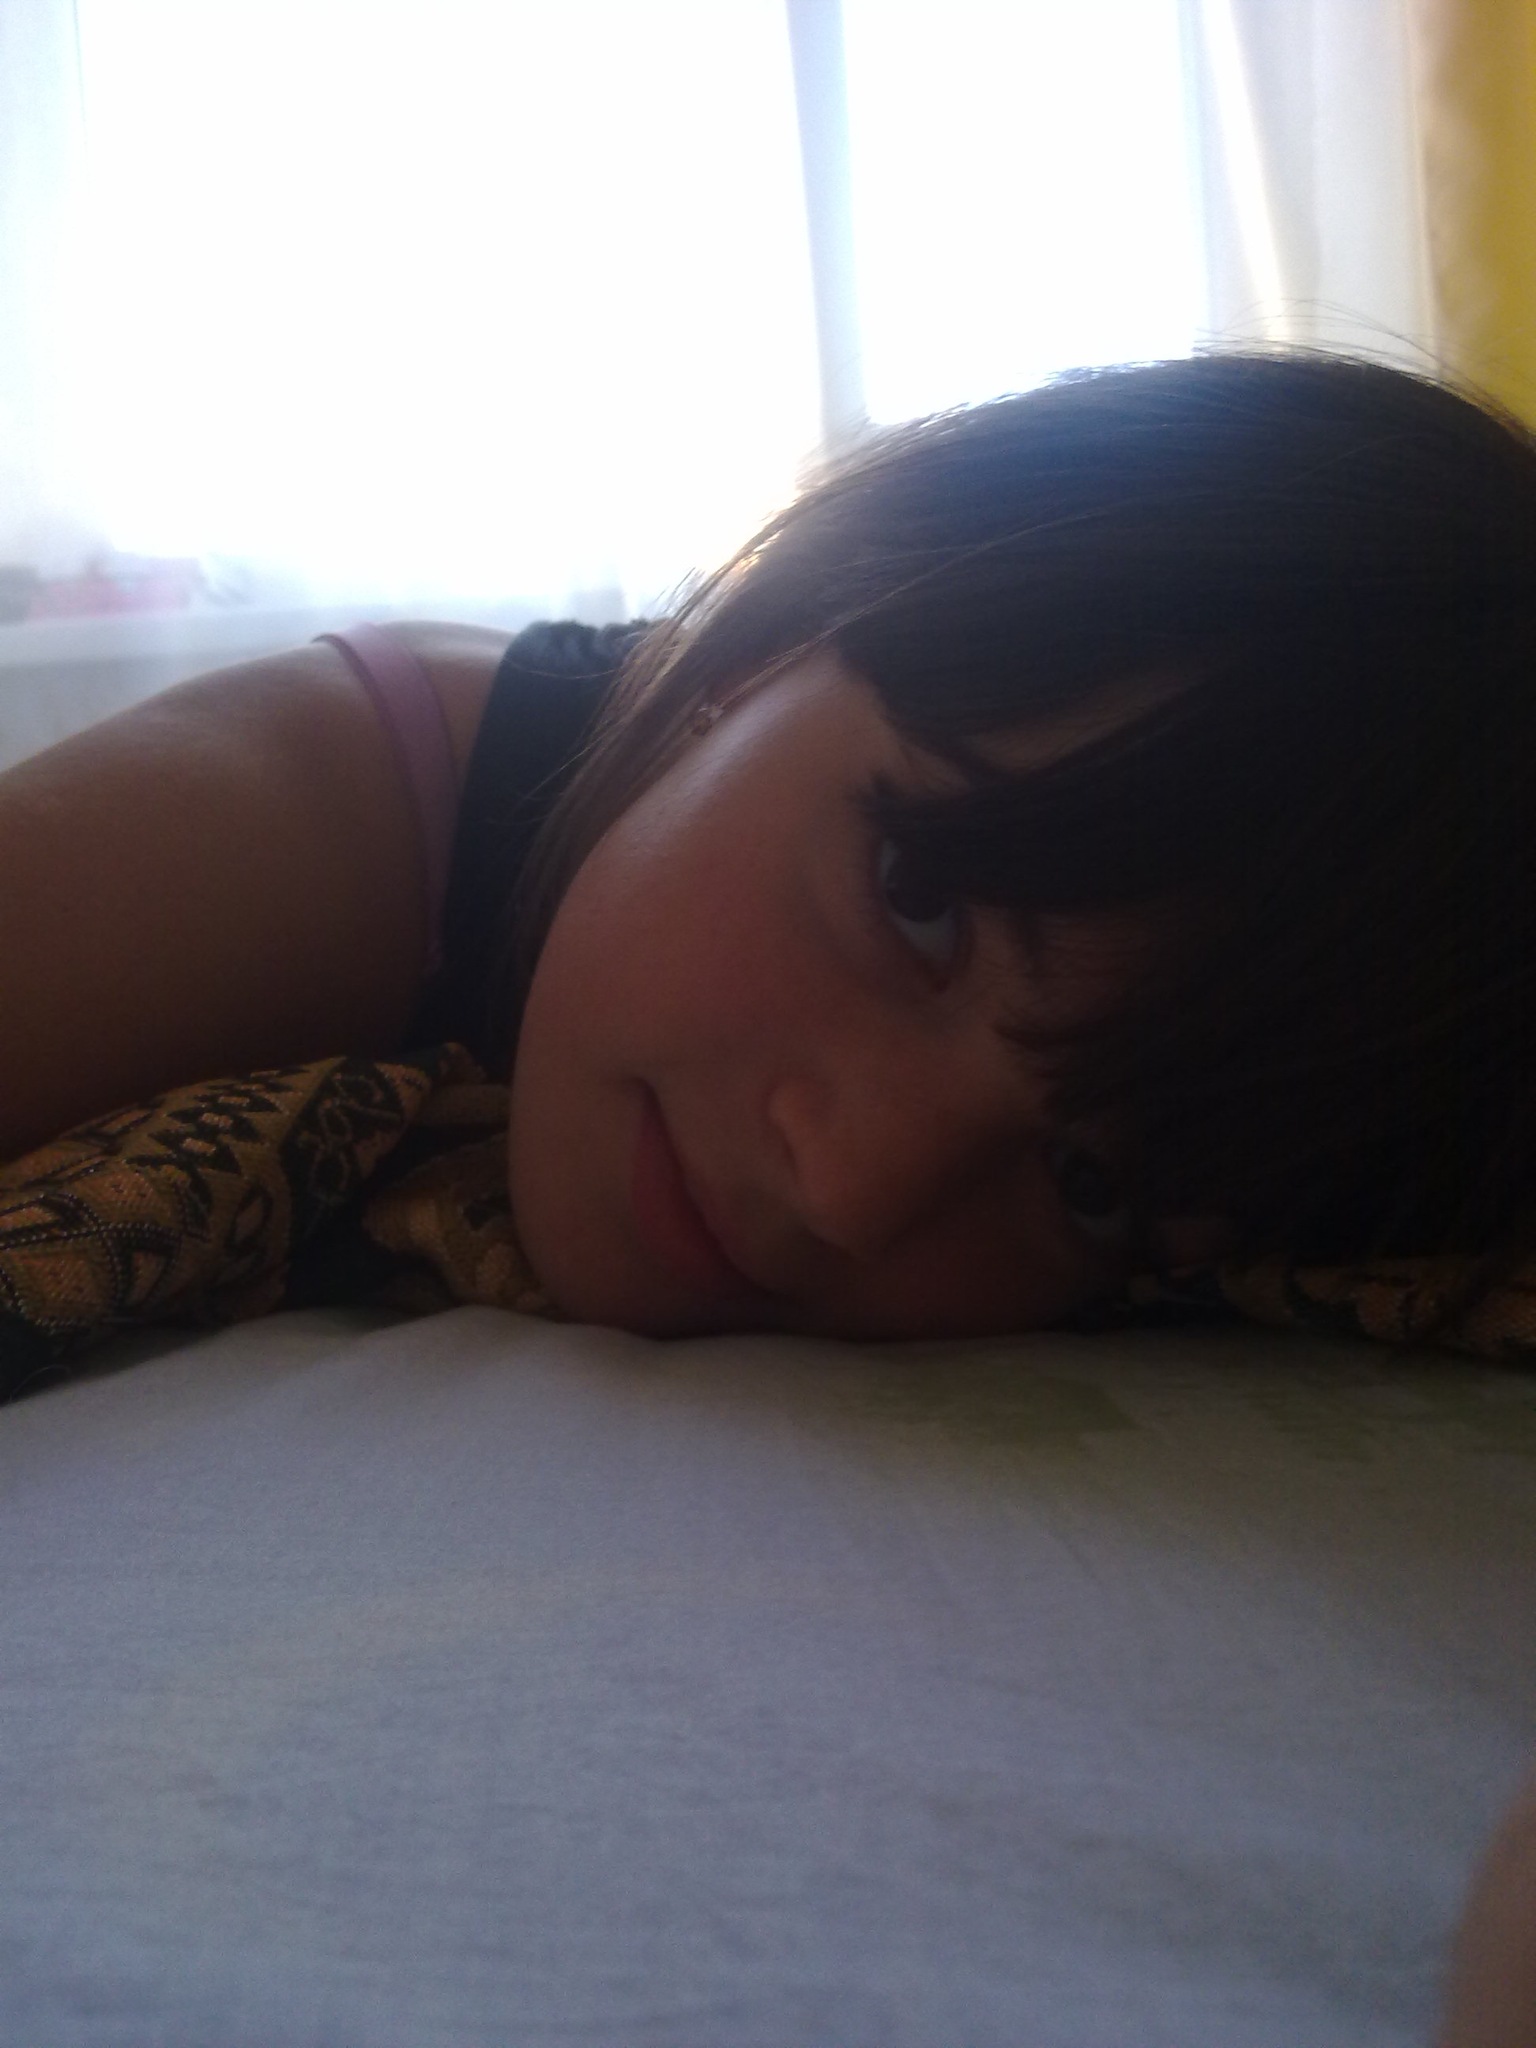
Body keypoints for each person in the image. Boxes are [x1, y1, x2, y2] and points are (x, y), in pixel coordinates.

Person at [2, 348, 1536, 1343]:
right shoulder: (343, 806)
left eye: (1088, 1185)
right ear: (774, 647)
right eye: (916, 899)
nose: (853, 1188)